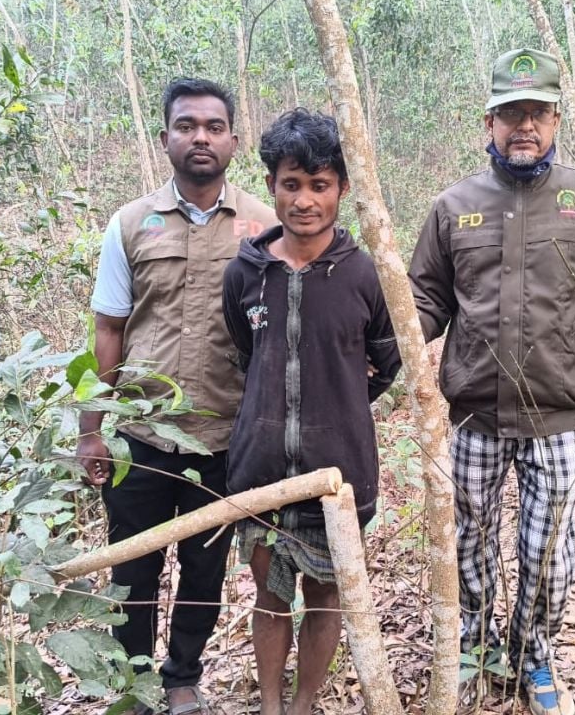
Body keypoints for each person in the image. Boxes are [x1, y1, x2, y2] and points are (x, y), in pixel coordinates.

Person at [407, 48, 575, 715]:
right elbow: (422, 301)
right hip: (475, 416)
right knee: (471, 546)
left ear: (558, 118)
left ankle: (534, 657)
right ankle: (475, 654)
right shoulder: (453, 208)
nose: (523, 126)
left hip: (559, 417)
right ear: (488, 122)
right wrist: (381, 350)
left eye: (536, 112)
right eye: (510, 113)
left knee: (548, 558)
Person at [78, 77, 276, 715]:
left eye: (213, 127)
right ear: (165, 138)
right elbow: (109, 330)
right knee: (133, 569)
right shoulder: (132, 223)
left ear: (233, 142)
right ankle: (134, 683)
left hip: (225, 436)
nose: (200, 137)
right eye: (186, 126)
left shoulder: (264, 226)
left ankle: (182, 676)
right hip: (141, 436)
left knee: (204, 571)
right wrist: (92, 429)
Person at [221, 109, 402, 715]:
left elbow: (385, 361)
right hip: (262, 471)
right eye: (290, 184)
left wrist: (338, 402)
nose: (304, 200)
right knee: (270, 599)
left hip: (339, 475)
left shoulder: (362, 274)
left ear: (342, 189)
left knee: (326, 598)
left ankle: (304, 706)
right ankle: (271, 706)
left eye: (319, 185)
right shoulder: (246, 274)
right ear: (271, 185)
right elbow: (247, 355)